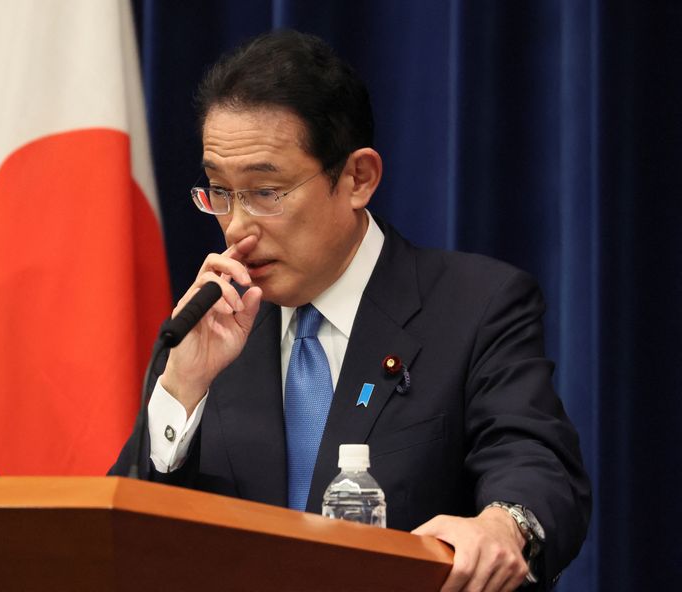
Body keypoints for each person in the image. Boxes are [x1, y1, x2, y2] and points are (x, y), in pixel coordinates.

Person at [111, 29, 591, 591]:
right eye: (220, 191)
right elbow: (120, 536)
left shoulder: (476, 305)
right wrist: (182, 389)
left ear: (357, 178)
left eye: (266, 192)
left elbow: (535, 461)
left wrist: (504, 525)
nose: (237, 227)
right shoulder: (205, 329)